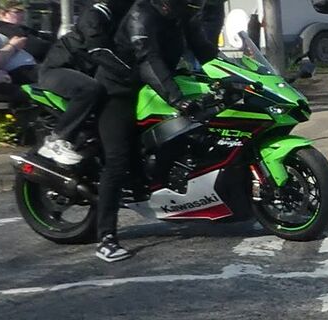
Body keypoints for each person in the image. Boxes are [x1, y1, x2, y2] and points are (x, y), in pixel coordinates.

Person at [28, 0, 228, 261]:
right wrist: (176, 98)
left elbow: (204, 49)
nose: (193, 7)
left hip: (152, 86)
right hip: (119, 90)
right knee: (117, 159)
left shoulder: (181, 18)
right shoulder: (141, 15)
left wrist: (233, 73)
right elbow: (148, 58)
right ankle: (106, 238)